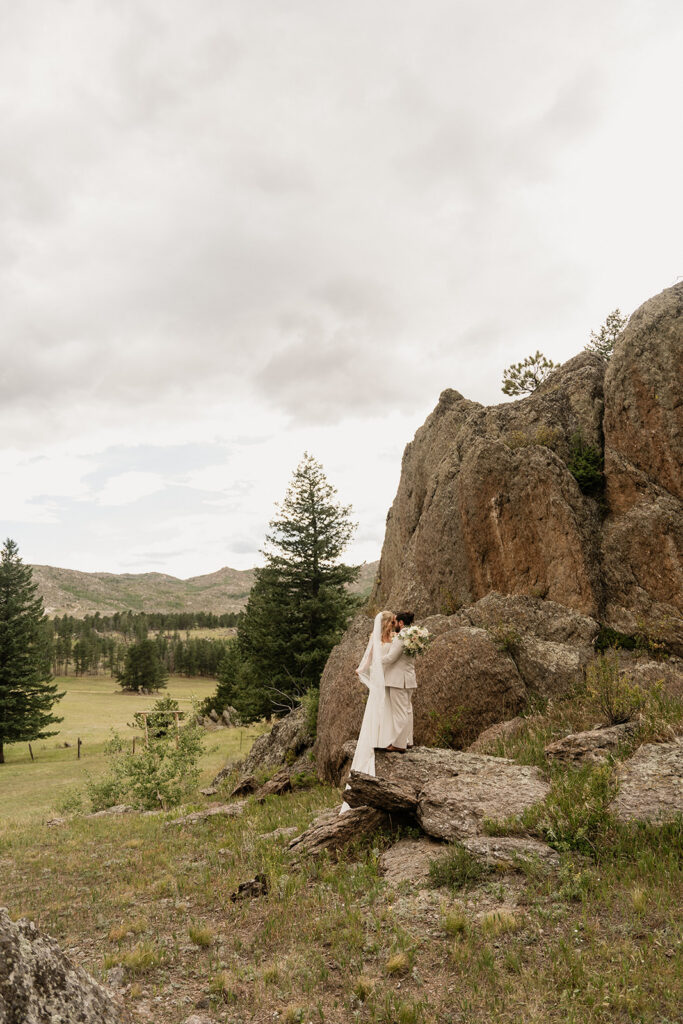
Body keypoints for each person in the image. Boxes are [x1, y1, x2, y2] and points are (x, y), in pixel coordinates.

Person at [339, 610, 395, 814]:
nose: (394, 624)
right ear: (387, 622)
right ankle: (377, 742)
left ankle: (387, 738)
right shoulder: (375, 638)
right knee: (378, 712)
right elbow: (368, 659)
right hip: (380, 684)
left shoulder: (394, 638)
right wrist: (362, 670)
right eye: (392, 621)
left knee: (389, 711)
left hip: (390, 681)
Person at [379, 611, 416, 752]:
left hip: (398, 680)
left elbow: (391, 658)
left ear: (401, 623)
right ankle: (408, 740)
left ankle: (399, 744)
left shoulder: (402, 637)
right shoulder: (413, 636)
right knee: (407, 710)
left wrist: (376, 660)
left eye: (395, 622)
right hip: (409, 678)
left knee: (400, 712)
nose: (393, 624)